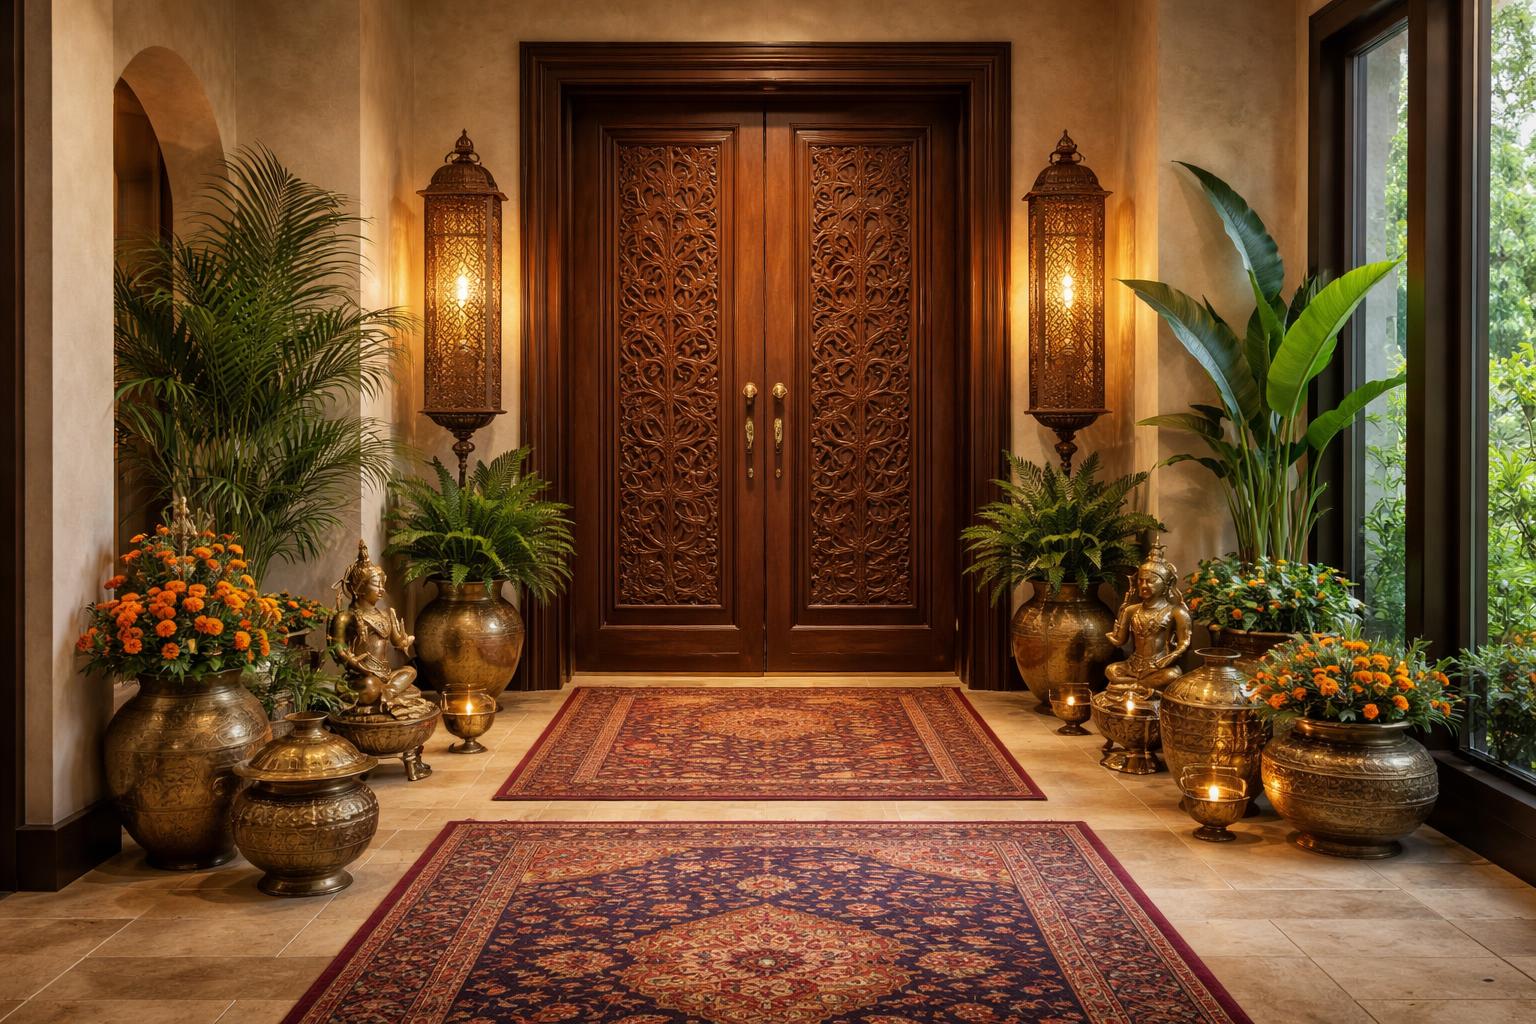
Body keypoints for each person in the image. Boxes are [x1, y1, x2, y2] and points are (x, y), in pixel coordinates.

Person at [1104, 544, 1192, 699]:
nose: (1144, 586)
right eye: (1140, 581)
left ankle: (1131, 687)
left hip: (1158, 666)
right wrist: (1112, 635)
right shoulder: (1131, 610)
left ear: (1166, 584)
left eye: (1150, 581)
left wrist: (1168, 659)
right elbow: (1120, 640)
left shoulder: (1176, 611)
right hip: (1133, 665)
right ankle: (1141, 688)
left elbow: (1184, 643)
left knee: (1174, 674)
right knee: (1111, 670)